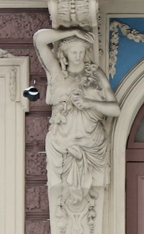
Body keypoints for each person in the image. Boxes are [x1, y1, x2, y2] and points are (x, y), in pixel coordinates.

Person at [33, 27, 120, 194]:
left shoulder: (96, 75)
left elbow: (115, 109)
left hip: (92, 143)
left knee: (93, 193)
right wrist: (73, 32)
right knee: (64, 194)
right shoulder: (57, 74)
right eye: (74, 52)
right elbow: (39, 39)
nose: (78, 56)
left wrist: (90, 103)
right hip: (63, 144)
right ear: (65, 53)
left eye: (81, 51)